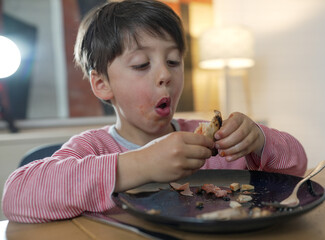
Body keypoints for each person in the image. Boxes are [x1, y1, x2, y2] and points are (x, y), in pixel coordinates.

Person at [2, 0, 307, 223]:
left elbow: (296, 170)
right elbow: (17, 196)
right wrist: (141, 164)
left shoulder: (216, 143)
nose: (165, 74)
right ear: (101, 84)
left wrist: (260, 140)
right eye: (141, 65)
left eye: (173, 61)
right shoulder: (92, 149)